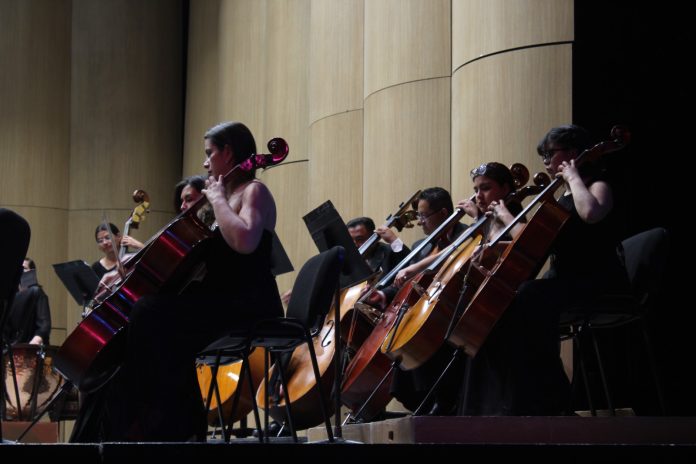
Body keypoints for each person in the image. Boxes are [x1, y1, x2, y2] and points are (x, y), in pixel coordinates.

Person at [71, 121, 283, 442]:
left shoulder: (254, 191)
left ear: (228, 153)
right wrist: (138, 267)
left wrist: (217, 200)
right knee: (129, 341)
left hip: (247, 306)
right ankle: (125, 432)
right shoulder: (221, 199)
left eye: (209, 153)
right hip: (217, 304)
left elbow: (245, 241)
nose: (205, 163)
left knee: (149, 314)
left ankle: (162, 426)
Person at [459, 124, 630, 416]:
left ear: (573, 153)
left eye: (550, 154)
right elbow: (537, 245)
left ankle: (550, 399)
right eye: (544, 157)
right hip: (564, 281)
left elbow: (591, 213)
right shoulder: (562, 198)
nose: (547, 163)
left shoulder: (597, 186)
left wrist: (572, 176)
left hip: (596, 281)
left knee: (528, 296)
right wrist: (492, 248)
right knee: (504, 303)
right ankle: (498, 403)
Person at [368, 187, 468, 415]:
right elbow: (408, 283)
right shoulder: (420, 247)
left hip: (454, 307)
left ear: (443, 213)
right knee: (401, 339)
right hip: (427, 307)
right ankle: (420, 400)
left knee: (426, 334)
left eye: (424, 216)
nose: (420, 222)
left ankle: (442, 400)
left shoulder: (466, 234)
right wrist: (382, 295)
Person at [2, 258, 51, 346]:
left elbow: (44, 325)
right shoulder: (10, 297)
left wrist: (35, 342)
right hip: (10, 347)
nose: (21, 271)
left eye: (24, 268)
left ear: (32, 272)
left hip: (29, 347)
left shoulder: (37, 292)